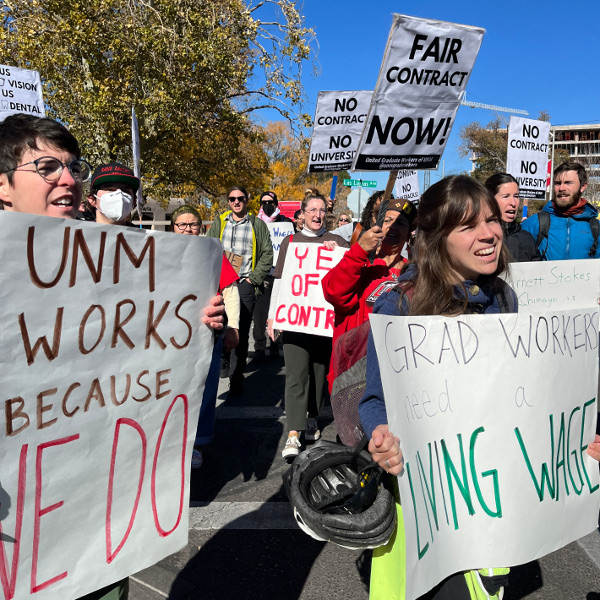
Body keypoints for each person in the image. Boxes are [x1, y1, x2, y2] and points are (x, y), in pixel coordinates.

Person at [0, 113, 225, 600]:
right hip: (18, 531)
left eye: (72, 166)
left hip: (99, 516)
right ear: (3, 186)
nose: (67, 178)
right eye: (46, 167)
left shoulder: (110, 261)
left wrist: (195, 325)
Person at [267, 193, 349, 458]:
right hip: (294, 320)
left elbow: (347, 278)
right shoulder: (289, 242)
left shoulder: (337, 242)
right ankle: (294, 431)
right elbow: (279, 281)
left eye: (322, 210)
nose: (318, 214)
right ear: (301, 214)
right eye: (312, 209)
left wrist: (337, 256)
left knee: (317, 373)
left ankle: (313, 415)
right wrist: (273, 316)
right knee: (295, 374)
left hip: (324, 322)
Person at [172, 205, 240, 469]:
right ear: (173, 227)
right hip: (170, 338)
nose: (188, 229)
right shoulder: (162, 251)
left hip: (207, 333)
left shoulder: (212, 252)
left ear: (202, 227)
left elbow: (231, 290)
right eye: (182, 224)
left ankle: (197, 443)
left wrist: (232, 327)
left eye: (193, 224)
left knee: (204, 389)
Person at [323, 199, 413, 392]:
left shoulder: (413, 273)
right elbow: (334, 294)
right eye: (388, 220)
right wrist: (359, 252)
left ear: (408, 233)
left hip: (396, 374)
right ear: (376, 225)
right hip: (353, 372)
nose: (393, 227)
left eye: (401, 223)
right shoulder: (360, 262)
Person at [207, 186, 273, 395]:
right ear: (228, 201)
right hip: (220, 284)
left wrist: (252, 281)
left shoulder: (257, 225)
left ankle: (237, 375)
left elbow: (267, 254)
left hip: (244, 284)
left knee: (240, 331)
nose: (236, 202)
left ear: (247, 200)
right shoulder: (220, 222)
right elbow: (207, 246)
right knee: (219, 325)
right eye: (232, 198)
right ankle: (224, 361)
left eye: (240, 198)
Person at [521, 162, 600, 260]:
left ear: (583, 186)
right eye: (558, 183)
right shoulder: (533, 223)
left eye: (568, 183)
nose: (561, 188)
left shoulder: (596, 228)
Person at [252, 190, 293, 362]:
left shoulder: (286, 223)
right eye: (263, 202)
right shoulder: (254, 223)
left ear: (276, 204)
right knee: (260, 315)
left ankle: (275, 344)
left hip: (280, 274)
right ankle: (259, 348)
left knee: (277, 311)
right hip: (261, 275)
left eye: (270, 202)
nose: (267, 205)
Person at [484, 173, 540, 261]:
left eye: (516, 196)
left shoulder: (527, 238)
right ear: (490, 200)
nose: (513, 203)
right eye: (506, 196)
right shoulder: (480, 237)